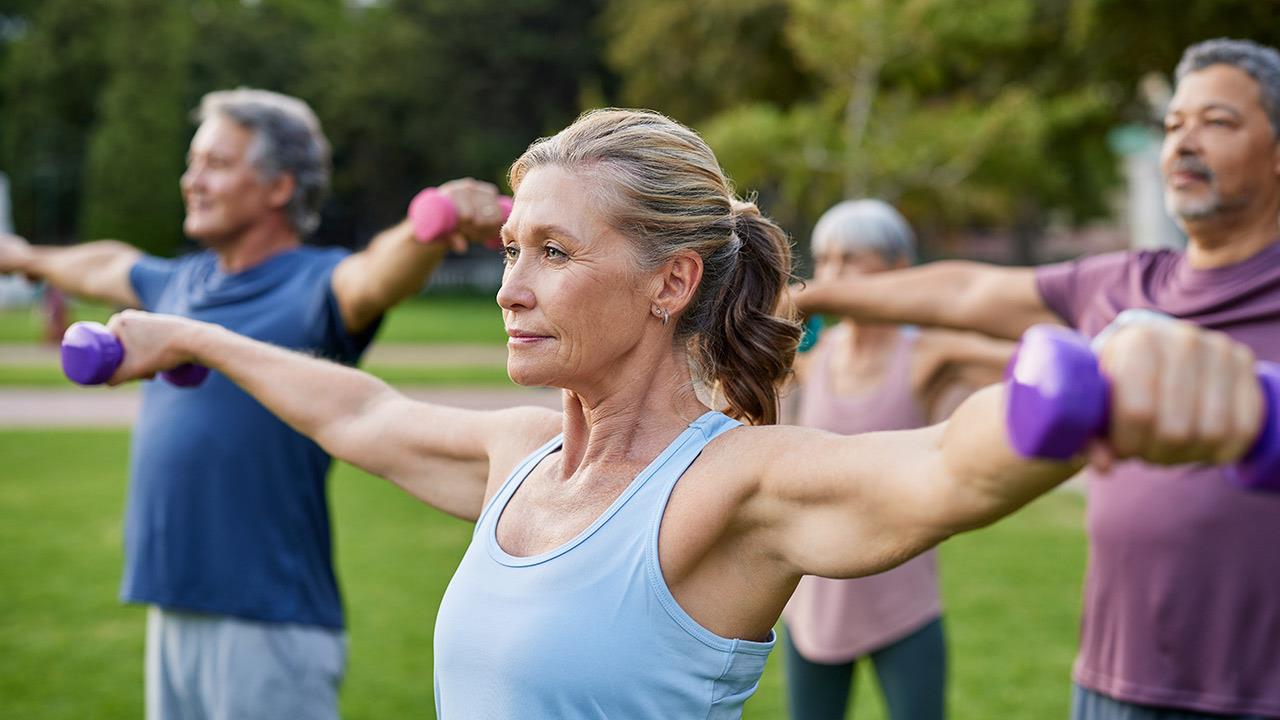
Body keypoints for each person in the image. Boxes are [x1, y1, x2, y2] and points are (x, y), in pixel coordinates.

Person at [99, 108, 1262, 719]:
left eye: (552, 252)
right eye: (510, 248)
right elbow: (358, 411)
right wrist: (190, 335)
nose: (509, 286)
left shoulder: (734, 491)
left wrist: (1103, 381)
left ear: (669, 283)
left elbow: (943, 472)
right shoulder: (520, 456)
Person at [792, 38, 1280, 720]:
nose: (1184, 141)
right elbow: (964, 292)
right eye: (1173, 124)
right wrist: (812, 297)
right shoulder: (1120, 285)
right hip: (1111, 686)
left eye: (1217, 121)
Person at [0, 88, 505, 719]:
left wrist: (434, 221)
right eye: (193, 163)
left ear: (278, 187)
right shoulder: (178, 285)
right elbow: (107, 264)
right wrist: (22, 256)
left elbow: (376, 273)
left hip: (269, 619)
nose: (192, 181)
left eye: (215, 163)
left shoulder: (315, 284)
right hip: (174, 604)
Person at [783, 199, 1013, 720]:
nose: (832, 276)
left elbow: (1037, 361)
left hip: (903, 598)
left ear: (897, 271)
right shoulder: (812, 361)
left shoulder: (933, 353)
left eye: (851, 260)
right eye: (825, 260)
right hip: (815, 603)